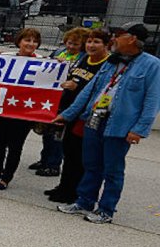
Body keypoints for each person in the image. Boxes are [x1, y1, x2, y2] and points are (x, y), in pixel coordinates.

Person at [55, 24, 160, 223]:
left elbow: (153, 100)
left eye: (118, 35)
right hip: (95, 118)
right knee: (91, 164)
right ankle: (84, 201)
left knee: (112, 169)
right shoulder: (112, 61)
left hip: (120, 125)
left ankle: (106, 209)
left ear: (132, 38)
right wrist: (69, 114)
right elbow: (90, 89)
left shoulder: (152, 65)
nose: (113, 39)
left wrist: (139, 129)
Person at [45, 29, 111, 204]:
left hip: (85, 116)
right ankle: (64, 186)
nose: (91, 45)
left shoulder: (107, 64)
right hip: (70, 112)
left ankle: (73, 192)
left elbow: (100, 90)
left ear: (106, 45)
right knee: (68, 151)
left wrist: (77, 87)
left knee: (79, 156)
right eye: (89, 41)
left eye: (96, 42)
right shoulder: (84, 59)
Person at [0, 28, 43, 190]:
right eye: (27, 40)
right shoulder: (6, 57)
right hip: (2, 108)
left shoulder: (44, 62)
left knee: (15, 147)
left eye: (35, 41)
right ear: (19, 42)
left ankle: (6, 178)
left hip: (24, 112)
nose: (31, 44)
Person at [30, 27, 87, 177]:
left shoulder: (84, 58)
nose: (71, 47)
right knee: (47, 132)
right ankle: (44, 159)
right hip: (52, 98)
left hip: (67, 100)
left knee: (57, 135)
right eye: (69, 43)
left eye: (75, 44)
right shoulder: (58, 52)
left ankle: (53, 165)